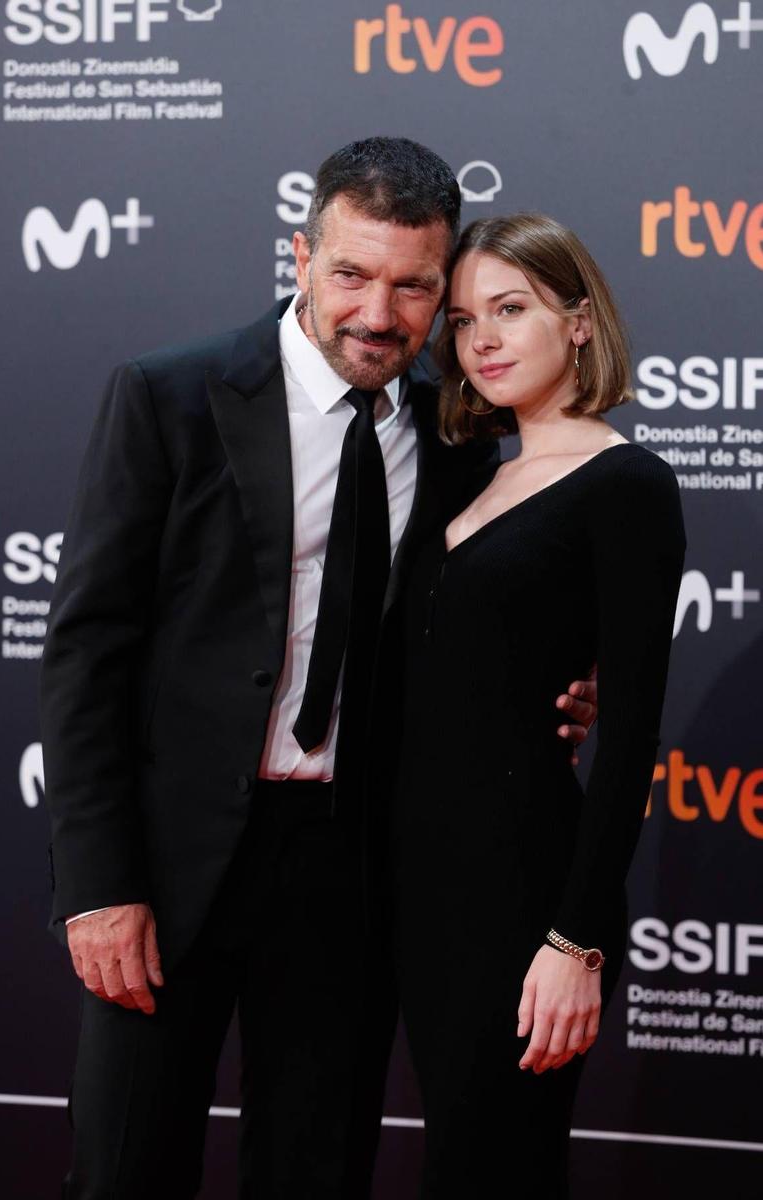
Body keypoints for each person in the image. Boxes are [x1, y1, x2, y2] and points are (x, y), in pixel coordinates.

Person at [40, 141, 597, 1199]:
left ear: (444, 290)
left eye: (412, 287)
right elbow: (86, 651)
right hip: (167, 867)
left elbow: (488, 628)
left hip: (350, 870)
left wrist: (561, 690)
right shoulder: (173, 396)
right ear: (300, 255)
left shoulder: (463, 435)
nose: (378, 315)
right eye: (351, 274)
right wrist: (100, 885)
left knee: (314, 1167)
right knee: (123, 1168)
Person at [392, 213, 686, 1198]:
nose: (482, 339)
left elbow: (634, 727)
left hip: (523, 894)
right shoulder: (466, 475)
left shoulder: (627, 484)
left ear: (579, 322)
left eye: (511, 309)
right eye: (467, 318)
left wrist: (576, 939)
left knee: (490, 1172)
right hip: (414, 889)